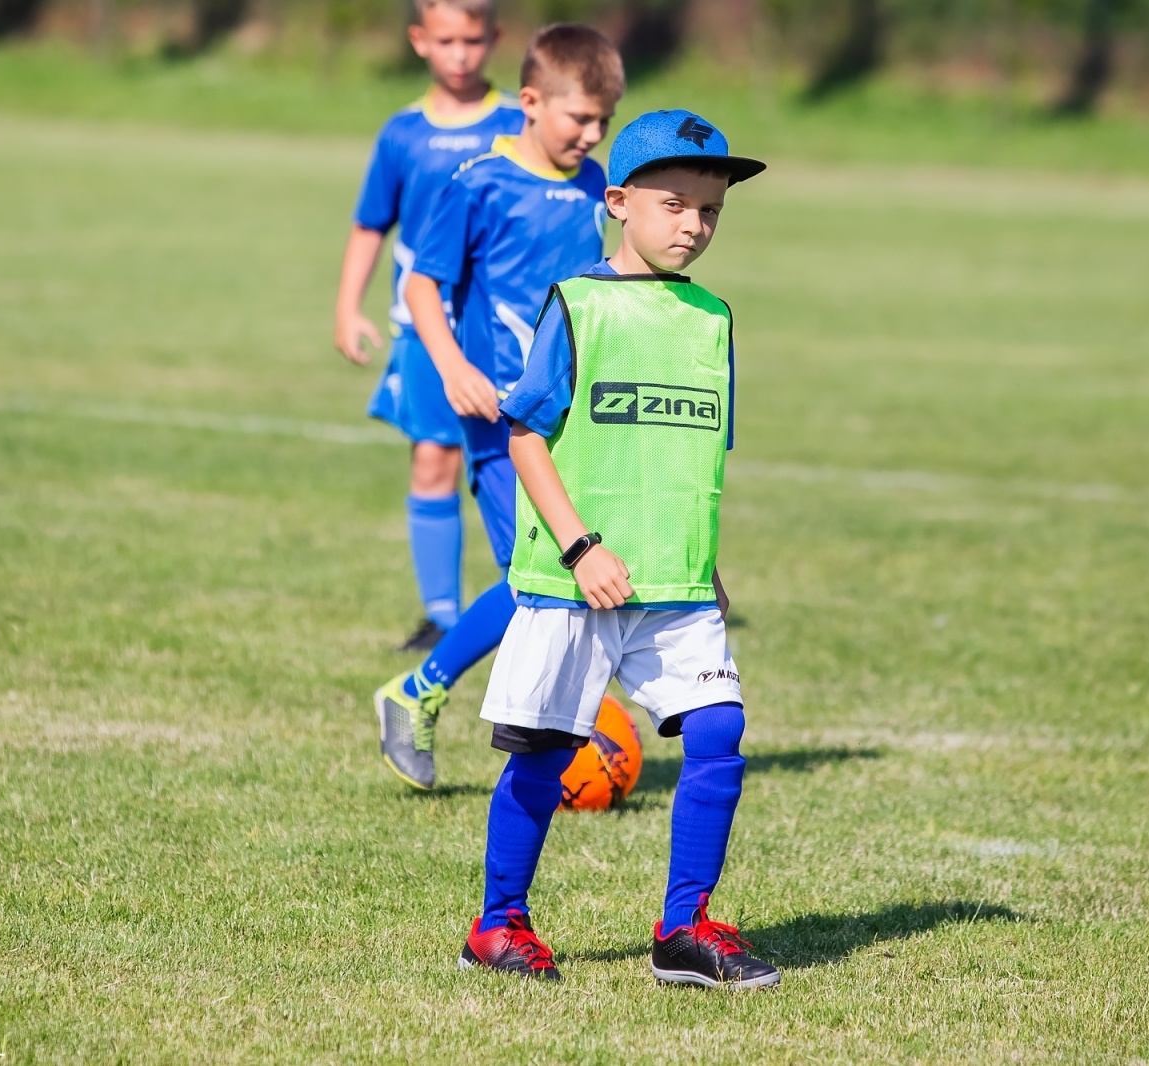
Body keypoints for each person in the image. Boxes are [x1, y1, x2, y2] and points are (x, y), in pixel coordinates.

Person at [456, 110, 781, 989]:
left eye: (710, 211)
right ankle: (498, 925)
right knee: (542, 755)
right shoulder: (579, 303)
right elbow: (525, 435)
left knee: (720, 731)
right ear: (617, 202)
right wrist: (579, 546)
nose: (693, 226)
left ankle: (684, 927)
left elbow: (696, 455)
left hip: (674, 582)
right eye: (674, 204)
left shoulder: (713, 321)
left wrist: (704, 563)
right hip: (576, 583)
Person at [373, 24, 625, 790]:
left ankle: (556, 729)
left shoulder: (595, 186)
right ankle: (414, 691)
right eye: (578, 118)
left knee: (558, 580)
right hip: (500, 419)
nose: (590, 135)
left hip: (571, 417)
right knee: (537, 577)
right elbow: (421, 282)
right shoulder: (480, 181)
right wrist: (452, 368)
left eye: (602, 122)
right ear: (529, 102)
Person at [333, 0, 522, 653]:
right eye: (446, 40)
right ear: (419, 41)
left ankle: (531, 603)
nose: (461, 54)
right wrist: (347, 306)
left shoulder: (519, 124)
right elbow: (370, 224)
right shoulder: (402, 134)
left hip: (503, 335)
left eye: (473, 40)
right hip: (423, 332)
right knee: (434, 460)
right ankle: (442, 616)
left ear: (493, 38)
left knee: (520, 464)